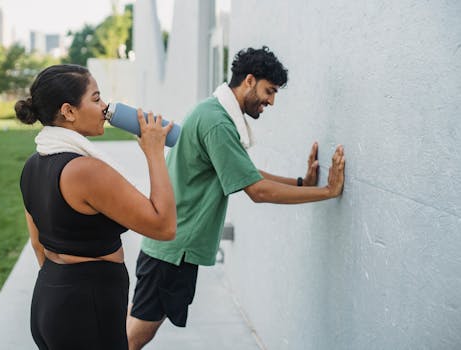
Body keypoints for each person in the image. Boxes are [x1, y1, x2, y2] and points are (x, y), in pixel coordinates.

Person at [126, 46, 346, 349]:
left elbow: (246, 172)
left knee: (135, 329)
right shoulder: (217, 123)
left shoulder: (214, 112)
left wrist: (301, 183)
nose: (271, 101)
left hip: (169, 246)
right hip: (173, 249)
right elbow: (256, 190)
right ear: (250, 80)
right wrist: (325, 191)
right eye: (269, 91)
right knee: (137, 334)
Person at [15, 64, 176, 350]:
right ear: (68, 111)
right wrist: (154, 153)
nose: (105, 107)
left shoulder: (33, 165)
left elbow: (38, 244)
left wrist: (64, 288)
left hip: (51, 300)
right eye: (96, 98)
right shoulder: (85, 171)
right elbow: (163, 226)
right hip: (85, 310)